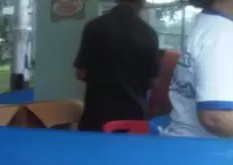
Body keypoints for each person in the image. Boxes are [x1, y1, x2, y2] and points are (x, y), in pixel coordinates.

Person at [74, 0, 160, 132]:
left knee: (93, 146)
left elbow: (81, 73)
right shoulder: (150, 34)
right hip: (134, 120)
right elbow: (152, 83)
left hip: (97, 117)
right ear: (142, 3)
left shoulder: (95, 26)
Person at [164, 0, 233, 138]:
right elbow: (216, 118)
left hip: (185, 141)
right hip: (202, 147)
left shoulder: (211, 24)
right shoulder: (221, 35)